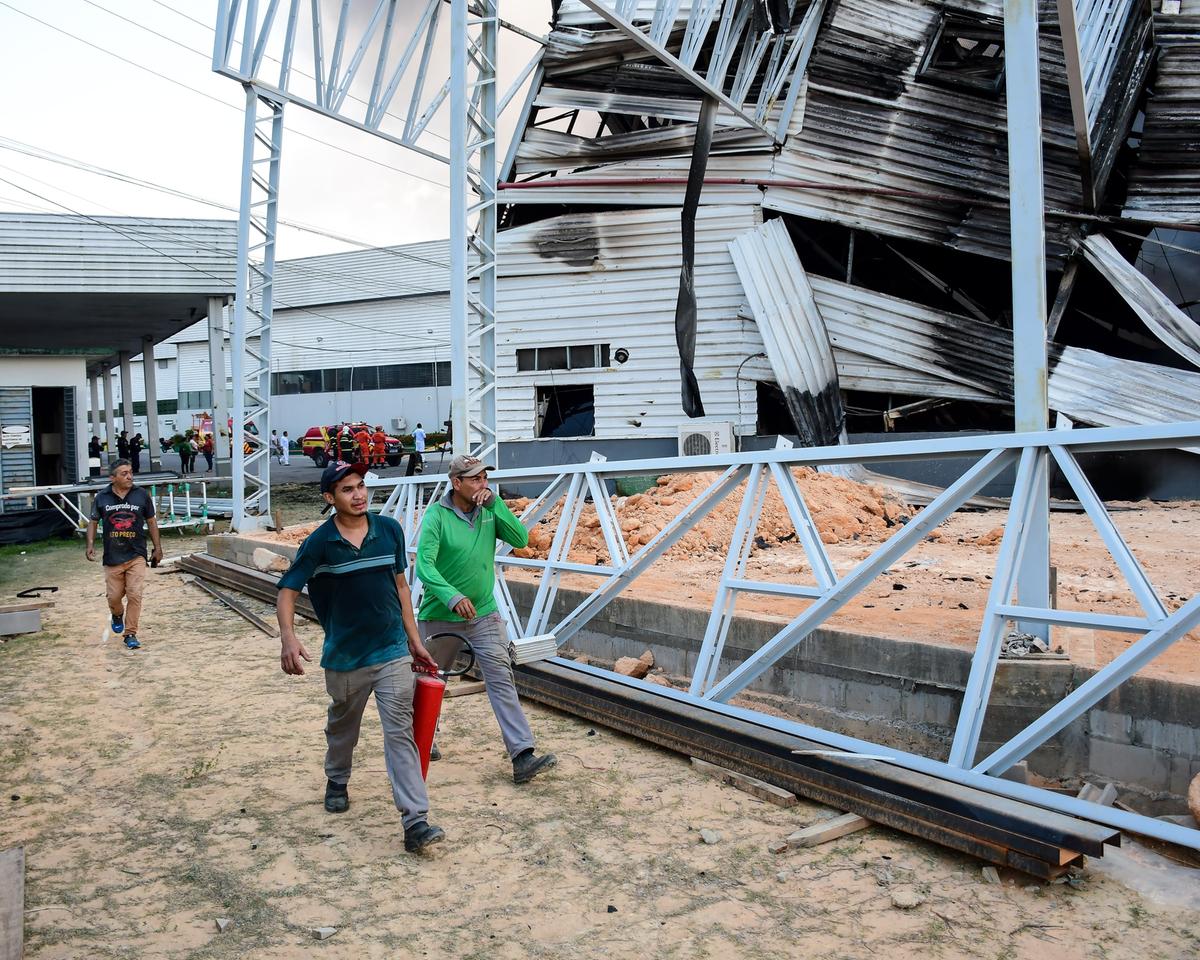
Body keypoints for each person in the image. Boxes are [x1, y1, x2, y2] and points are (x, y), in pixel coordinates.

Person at [275, 460, 446, 854]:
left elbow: (401, 587)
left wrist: (414, 640)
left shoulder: (389, 530)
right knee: (343, 728)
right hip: (346, 657)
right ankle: (337, 778)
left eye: (360, 486)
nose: (358, 494)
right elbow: (287, 591)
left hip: (392, 652)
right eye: (347, 489)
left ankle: (415, 821)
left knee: (399, 733)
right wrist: (288, 637)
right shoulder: (319, 543)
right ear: (329, 498)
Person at [416, 454, 556, 784]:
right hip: (440, 615)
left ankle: (522, 755)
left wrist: (497, 505)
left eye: (484, 478)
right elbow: (425, 566)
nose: (482, 484)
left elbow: (521, 540)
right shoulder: (437, 516)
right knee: (430, 682)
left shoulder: (489, 511)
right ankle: (423, 742)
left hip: (484, 612)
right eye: (475, 479)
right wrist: (452, 596)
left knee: (500, 675)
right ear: (456, 483)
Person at [85, 459, 163, 650]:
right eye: (124, 473)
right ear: (113, 478)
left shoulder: (141, 495)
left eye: (130, 472)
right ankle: (117, 613)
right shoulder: (102, 497)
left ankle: (130, 634)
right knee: (114, 597)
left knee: (135, 594)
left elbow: (151, 522)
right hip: (113, 556)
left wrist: (158, 548)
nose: (129, 476)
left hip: (136, 553)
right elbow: (93, 522)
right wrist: (90, 544)